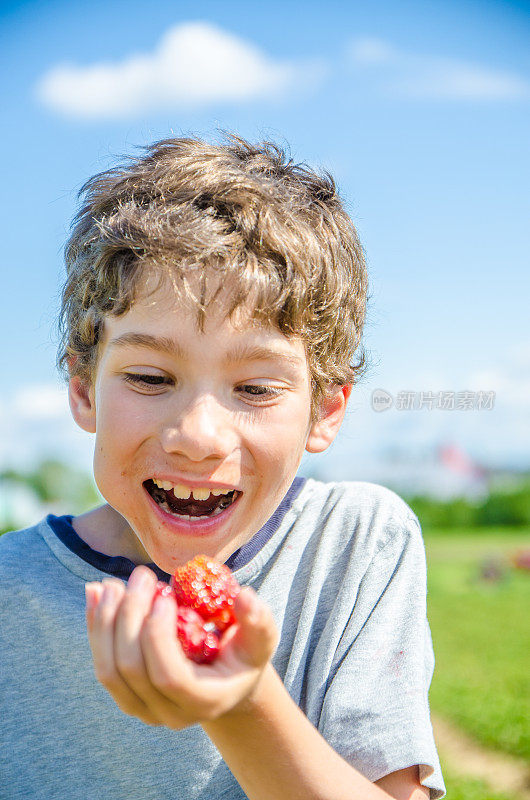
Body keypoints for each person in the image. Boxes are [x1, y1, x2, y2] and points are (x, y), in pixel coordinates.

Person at [0, 133, 446, 800]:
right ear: (85, 388)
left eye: (257, 388)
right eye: (151, 376)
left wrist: (242, 705)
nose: (199, 437)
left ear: (325, 411)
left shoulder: (357, 542)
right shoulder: (12, 594)